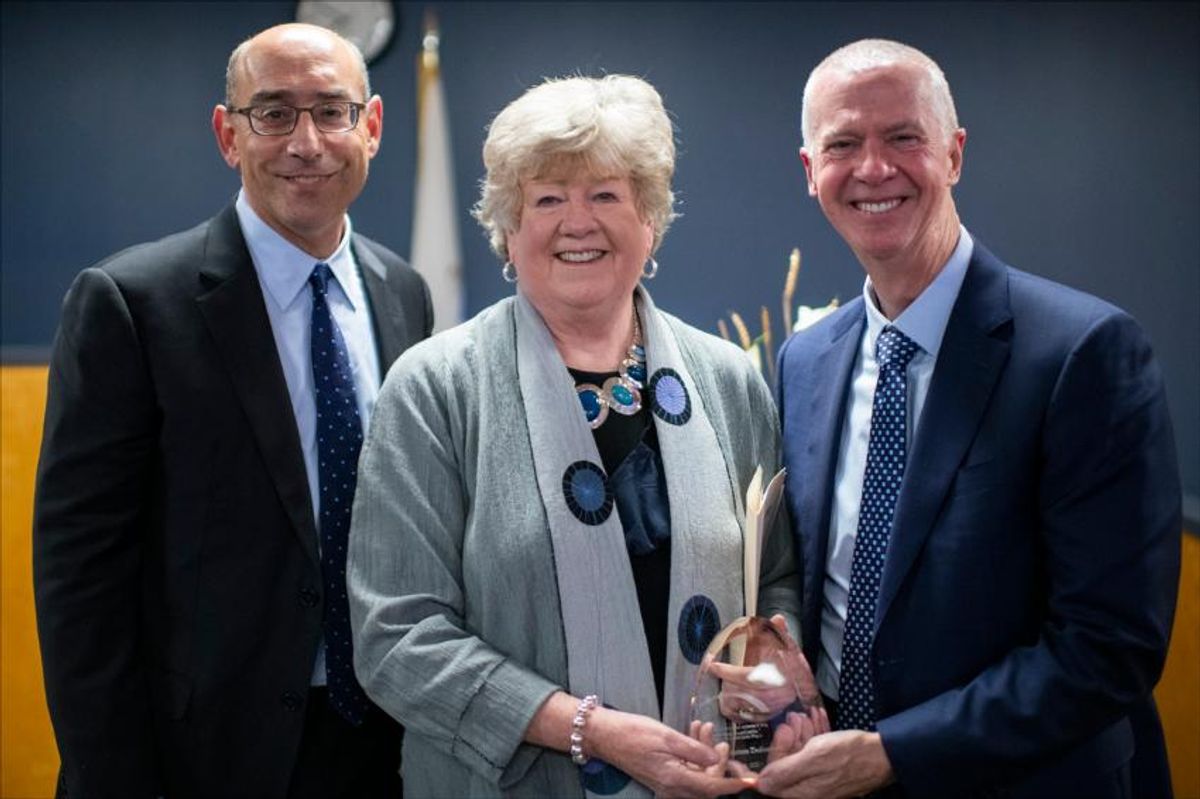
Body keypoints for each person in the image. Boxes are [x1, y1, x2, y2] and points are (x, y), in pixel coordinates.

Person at [347, 75, 809, 798]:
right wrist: (588, 730)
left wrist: (777, 681)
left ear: (649, 221)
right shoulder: (434, 388)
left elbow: (775, 576)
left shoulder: (728, 380)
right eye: (548, 198)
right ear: (508, 228)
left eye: (605, 195)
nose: (578, 221)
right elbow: (396, 638)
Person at [764, 38, 1181, 799]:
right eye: (844, 144)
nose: (874, 168)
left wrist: (892, 751)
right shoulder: (804, 362)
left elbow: (1109, 647)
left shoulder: (1081, 352)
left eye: (904, 138)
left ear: (954, 154)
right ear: (809, 172)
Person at [33, 23, 431, 798]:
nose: (306, 142)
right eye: (274, 113)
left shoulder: (403, 293)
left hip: (387, 739)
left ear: (372, 126)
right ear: (228, 134)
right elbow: (79, 582)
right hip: (199, 753)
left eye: (332, 111)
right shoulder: (131, 303)